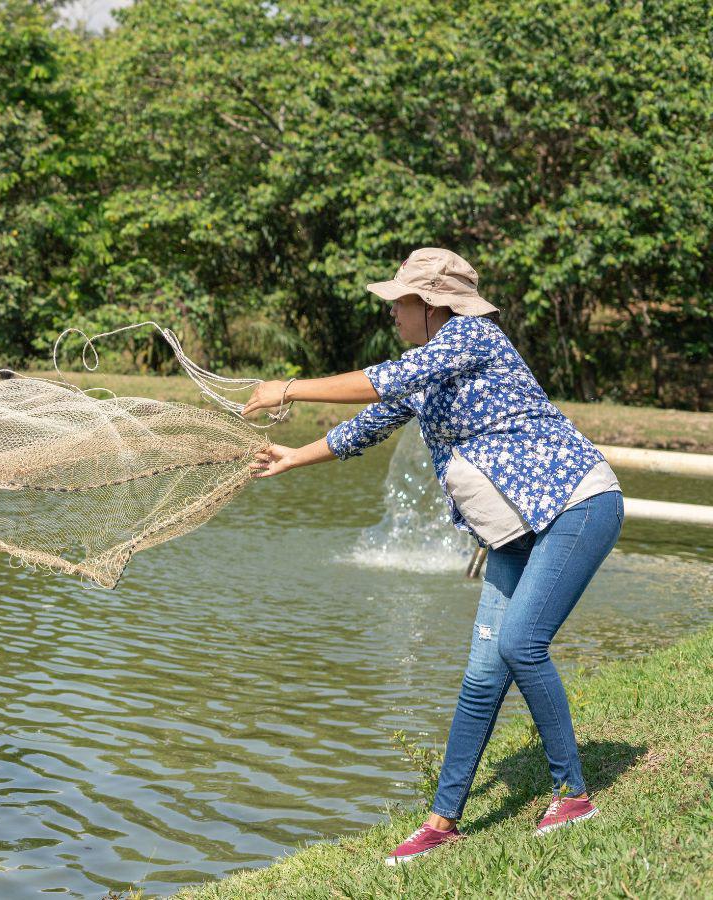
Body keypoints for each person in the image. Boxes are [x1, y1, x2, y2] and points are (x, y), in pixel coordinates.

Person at [242, 248, 623, 864]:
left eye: (402, 300)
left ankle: (573, 794)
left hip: (577, 507)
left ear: (434, 304)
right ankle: (444, 821)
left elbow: (377, 380)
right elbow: (362, 426)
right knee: (480, 676)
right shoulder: (430, 371)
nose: (393, 310)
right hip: (515, 532)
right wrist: (291, 457)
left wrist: (285, 388)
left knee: (520, 641)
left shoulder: (471, 337)